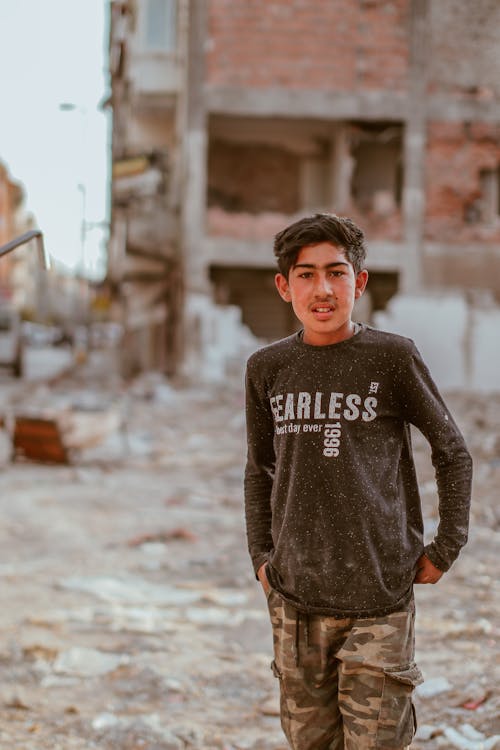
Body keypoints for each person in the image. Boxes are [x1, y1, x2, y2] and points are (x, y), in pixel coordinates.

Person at [244, 213, 472, 750]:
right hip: (296, 601)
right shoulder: (267, 367)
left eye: (336, 272)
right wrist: (261, 557)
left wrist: (447, 546)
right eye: (305, 274)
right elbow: (260, 469)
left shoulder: (392, 357)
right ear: (284, 286)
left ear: (359, 281)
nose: (321, 289)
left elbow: (453, 450)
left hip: (380, 598)